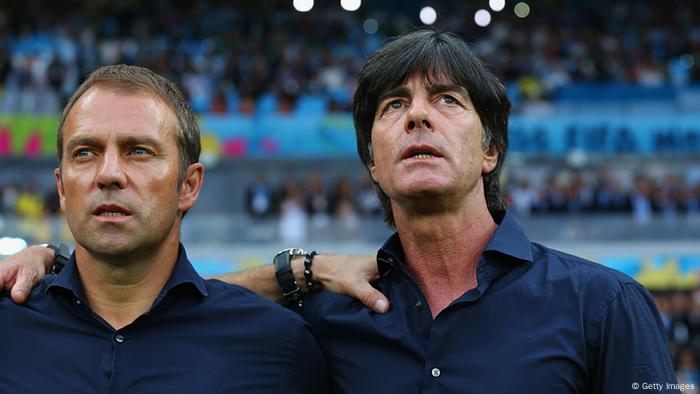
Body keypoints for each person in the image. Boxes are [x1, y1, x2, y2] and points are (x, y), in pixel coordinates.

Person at [2, 30, 679, 393]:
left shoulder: (604, 305)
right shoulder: (324, 323)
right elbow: (176, 316)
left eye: (447, 101)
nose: (418, 115)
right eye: (394, 108)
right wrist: (62, 270)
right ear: (372, 163)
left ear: (490, 151)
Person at [0, 64, 329, 393]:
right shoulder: (8, 329)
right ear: (61, 187)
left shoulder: (277, 346)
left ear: (188, 185)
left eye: (138, 151)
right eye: (85, 153)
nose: (108, 173)